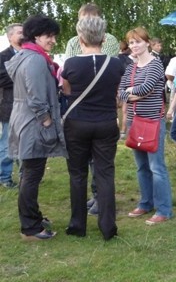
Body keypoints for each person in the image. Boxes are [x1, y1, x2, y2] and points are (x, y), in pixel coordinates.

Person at [61, 16, 125, 240]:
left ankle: (78, 225)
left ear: (80, 37)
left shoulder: (70, 64)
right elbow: (116, 94)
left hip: (77, 123)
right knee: (105, 173)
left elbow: (67, 91)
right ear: (103, 37)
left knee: (77, 174)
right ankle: (108, 227)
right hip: (106, 123)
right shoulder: (116, 64)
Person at [7, 15, 67, 240]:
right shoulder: (34, 60)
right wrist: (47, 120)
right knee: (31, 174)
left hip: (25, 120)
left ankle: (32, 216)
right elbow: (35, 96)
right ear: (35, 36)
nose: (52, 40)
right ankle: (30, 228)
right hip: (32, 123)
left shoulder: (28, 55)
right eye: (48, 36)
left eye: (53, 36)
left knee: (29, 173)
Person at [119, 27, 172, 225]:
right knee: (141, 167)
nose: (134, 46)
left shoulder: (155, 65)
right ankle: (146, 202)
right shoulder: (131, 67)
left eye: (138, 42)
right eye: (131, 43)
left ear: (147, 43)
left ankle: (164, 209)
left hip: (152, 121)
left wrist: (131, 93)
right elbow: (121, 91)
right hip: (134, 120)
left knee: (156, 167)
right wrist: (133, 94)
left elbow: (147, 89)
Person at [0, 23, 22, 188]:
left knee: (26, 142)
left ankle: (26, 176)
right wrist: (22, 76)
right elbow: (1, 78)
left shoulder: (29, 53)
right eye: (20, 32)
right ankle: (5, 177)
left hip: (27, 107)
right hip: (9, 105)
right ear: (10, 36)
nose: (24, 34)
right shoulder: (2, 56)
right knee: (8, 143)